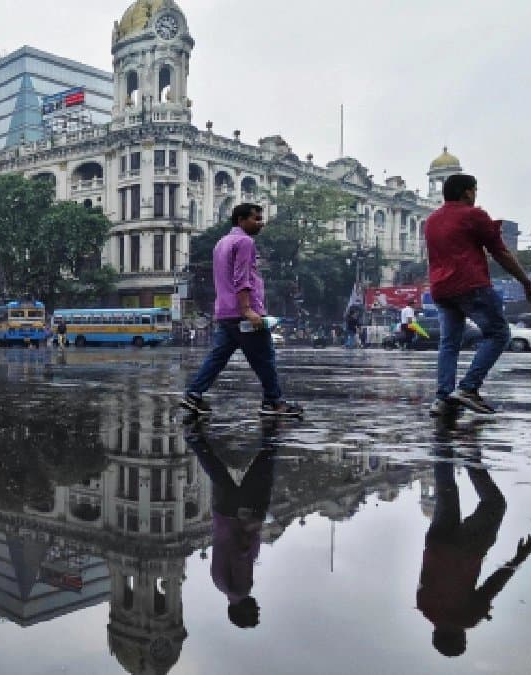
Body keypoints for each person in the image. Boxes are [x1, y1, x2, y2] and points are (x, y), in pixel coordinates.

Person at [417, 417, 531, 657]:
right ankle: (442, 438)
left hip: (467, 550)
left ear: (460, 637)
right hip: (436, 544)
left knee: (494, 504)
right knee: (446, 491)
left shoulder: (467, 619)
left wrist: (518, 559)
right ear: (436, 634)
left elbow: (493, 585)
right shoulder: (424, 607)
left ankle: (470, 451)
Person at [426, 175, 531, 416]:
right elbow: (500, 252)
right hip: (470, 285)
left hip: (441, 289)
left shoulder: (432, 220)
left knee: (449, 344)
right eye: (474, 190)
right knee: (499, 334)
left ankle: (443, 397)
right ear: (466, 193)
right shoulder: (473, 215)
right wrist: (526, 282)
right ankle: (468, 387)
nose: (476, 194)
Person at [180, 203, 303, 417]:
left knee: (217, 357)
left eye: (260, 218)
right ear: (241, 220)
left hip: (226, 312)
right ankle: (273, 402)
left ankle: (194, 394)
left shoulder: (221, 242)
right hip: (243, 314)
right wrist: (247, 309)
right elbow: (241, 278)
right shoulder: (244, 242)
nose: (261, 223)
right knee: (265, 358)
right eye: (256, 218)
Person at [186, 418, 278, 629]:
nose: (258, 609)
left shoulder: (241, 589)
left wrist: (252, 532)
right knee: (219, 474)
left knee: (263, 469)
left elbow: (240, 553)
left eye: (254, 613)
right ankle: (195, 438)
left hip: (241, 518)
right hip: (223, 517)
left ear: (242, 611)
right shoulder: (220, 585)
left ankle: (272, 433)